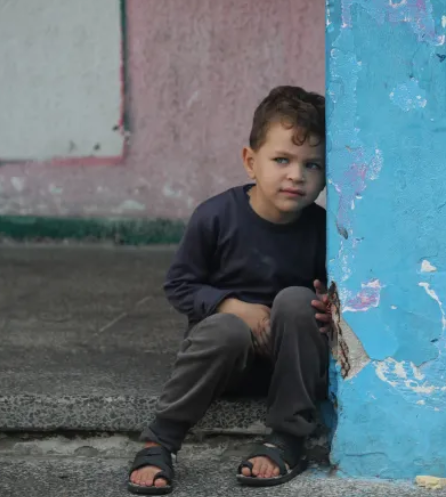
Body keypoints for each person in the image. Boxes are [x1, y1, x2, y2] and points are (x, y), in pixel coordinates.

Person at [127, 85, 331, 495]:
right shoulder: (216, 217)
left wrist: (327, 310)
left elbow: (332, 300)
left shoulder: (325, 230)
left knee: (297, 300)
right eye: (281, 160)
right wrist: (231, 306)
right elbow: (180, 285)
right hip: (226, 364)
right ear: (249, 161)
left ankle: (287, 438)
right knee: (226, 328)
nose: (296, 175)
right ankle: (160, 439)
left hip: (289, 365)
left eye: (313, 165)